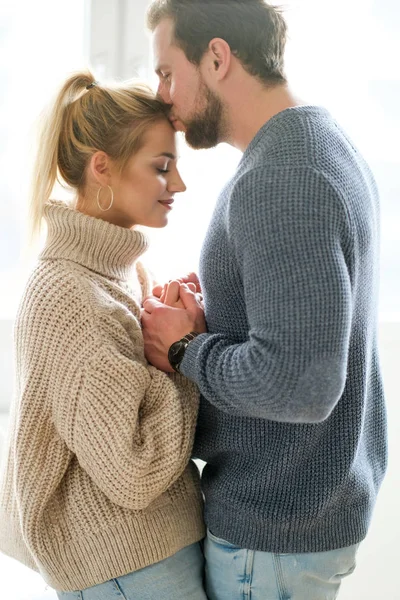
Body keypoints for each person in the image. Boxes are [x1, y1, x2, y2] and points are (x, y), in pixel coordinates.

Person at [141, 1, 388, 599]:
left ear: (218, 58)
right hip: (300, 523)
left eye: (169, 73)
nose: (163, 99)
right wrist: (221, 307)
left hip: (274, 533)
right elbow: (307, 322)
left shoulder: (282, 178)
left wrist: (183, 348)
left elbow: (299, 383)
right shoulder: (320, 143)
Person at [0, 71, 207, 599]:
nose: (178, 185)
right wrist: (182, 357)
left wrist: (170, 328)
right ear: (101, 167)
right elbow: (133, 468)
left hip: (148, 554)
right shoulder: (69, 297)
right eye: (162, 167)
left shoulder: (119, 272)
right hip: (128, 565)